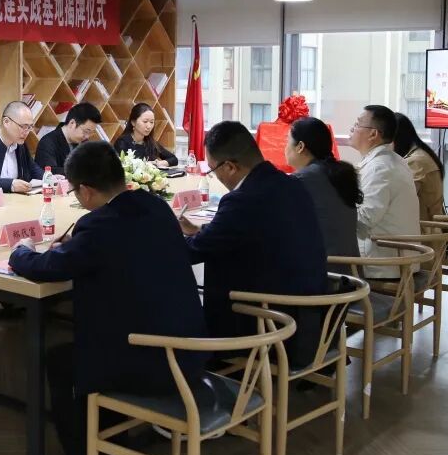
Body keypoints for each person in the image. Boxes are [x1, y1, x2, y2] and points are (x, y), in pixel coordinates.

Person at [9, 141, 207, 455]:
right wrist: (74, 247)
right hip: (190, 347)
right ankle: (112, 450)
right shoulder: (155, 206)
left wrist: (20, 251)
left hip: (155, 361)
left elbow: (46, 267)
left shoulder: (98, 226)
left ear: (85, 191)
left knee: (62, 361)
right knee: (91, 345)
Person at [179, 120, 327, 369]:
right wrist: (202, 231)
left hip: (271, 325)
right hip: (313, 319)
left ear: (230, 167)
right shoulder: (292, 184)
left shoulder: (242, 200)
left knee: (183, 302)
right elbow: (250, 233)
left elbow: (192, 252)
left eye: (212, 170)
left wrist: (160, 237)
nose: (215, 176)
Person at [349, 105, 420, 279]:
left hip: (385, 264)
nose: (352, 129)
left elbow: (364, 221)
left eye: (357, 124)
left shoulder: (379, 168)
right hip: (398, 258)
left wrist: (336, 206)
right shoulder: (393, 160)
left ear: (373, 134)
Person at [285, 116, 362, 266]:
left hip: (325, 273)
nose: (285, 147)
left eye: (287, 141)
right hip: (352, 273)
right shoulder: (337, 174)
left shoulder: (302, 179)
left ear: (300, 146)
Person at [393, 112, 445, 223]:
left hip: (423, 229)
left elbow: (399, 200)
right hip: (422, 226)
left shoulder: (416, 161)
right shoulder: (420, 153)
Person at [35, 101, 101, 175]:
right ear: (72, 123)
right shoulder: (47, 143)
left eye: (91, 132)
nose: (87, 136)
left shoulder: (83, 142)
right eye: (86, 131)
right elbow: (50, 172)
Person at [113, 102, 178, 166]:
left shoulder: (150, 142)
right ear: (133, 122)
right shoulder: (122, 142)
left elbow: (174, 159)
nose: (149, 126)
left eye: (151, 122)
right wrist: (147, 164)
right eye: (145, 121)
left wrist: (162, 163)